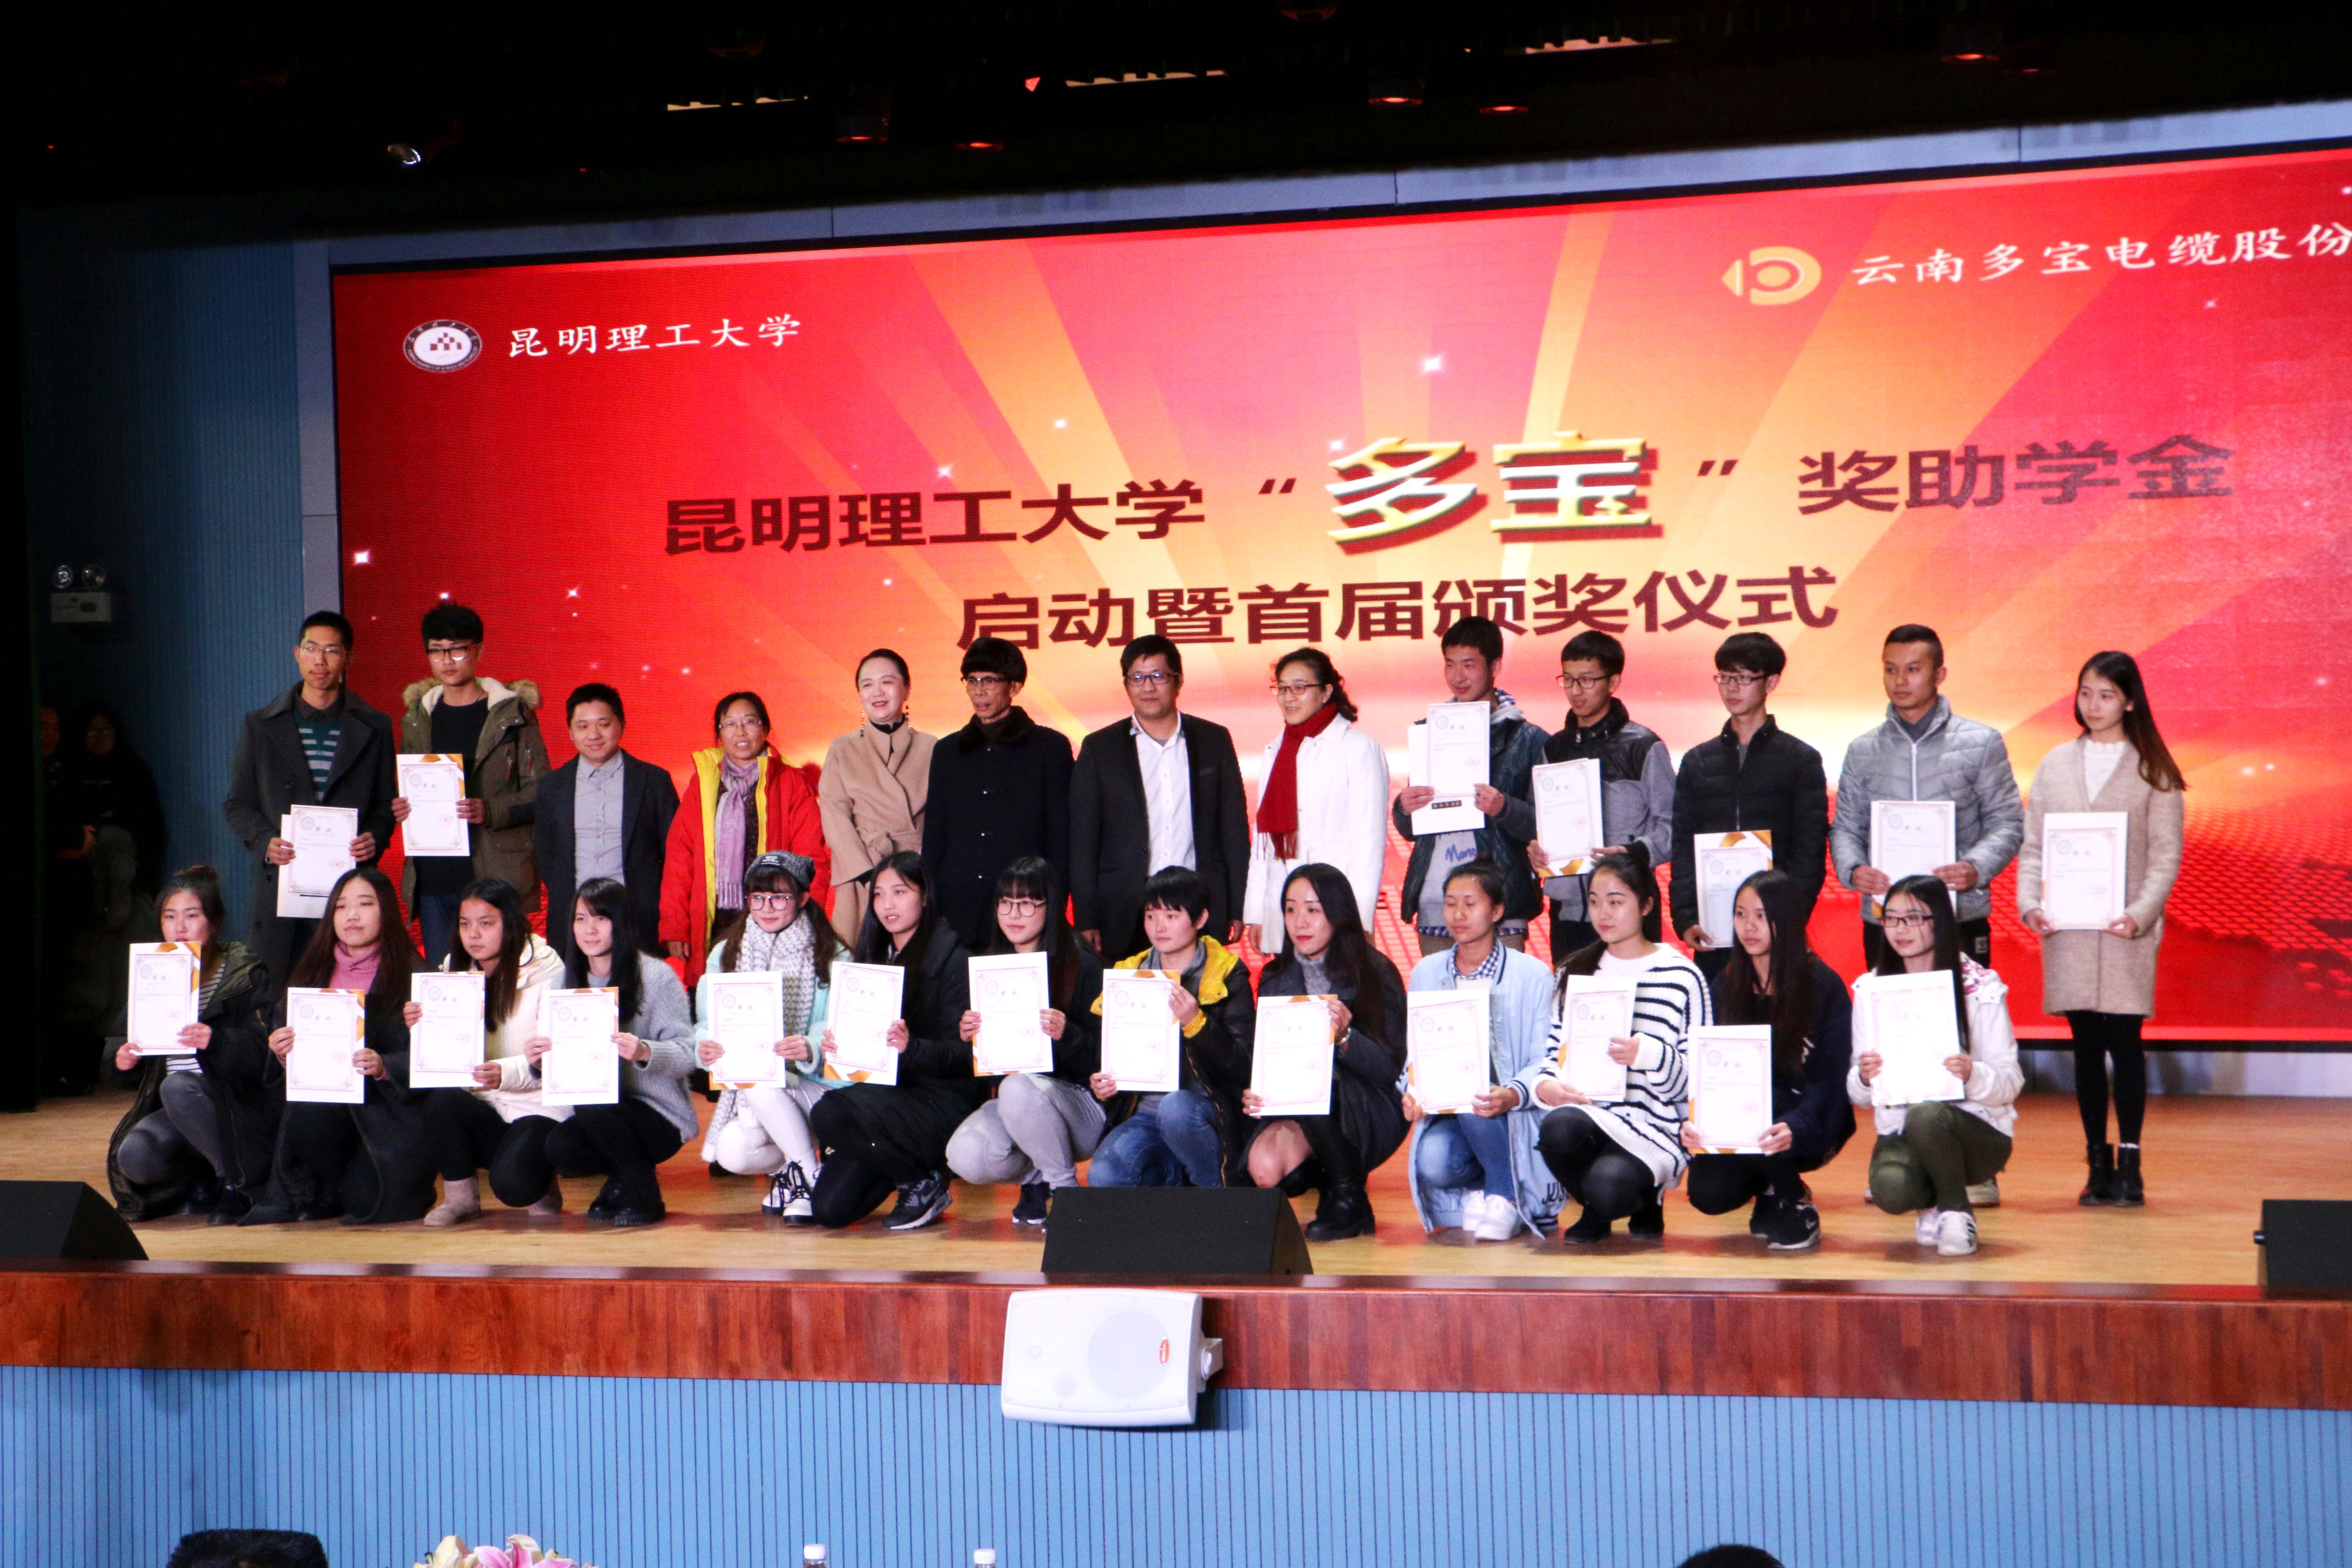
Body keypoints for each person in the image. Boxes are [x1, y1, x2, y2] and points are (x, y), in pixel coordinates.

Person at [2017, 651, 2185, 1208]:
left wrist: (2140, 912)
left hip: (2124, 931)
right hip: (2069, 929)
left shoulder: (2153, 769)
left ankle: (2131, 1164)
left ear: (2130, 701)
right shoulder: (2055, 764)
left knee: (2126, 1043)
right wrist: (2030, 903)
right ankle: (2097, 1165)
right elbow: (2035, 846)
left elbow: (2165, 857)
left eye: (2107, 695)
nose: (2093, 705)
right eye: (2086, 692)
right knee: (2085, 1046)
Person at [1519, 846, 1706, 1243]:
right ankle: (1597, 1209)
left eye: (1616, 902)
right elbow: (1553, 1052)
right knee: (1558, 1129)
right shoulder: (1575, 970)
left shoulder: (1682, 977)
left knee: (1610, 1185)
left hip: (1654, 1125)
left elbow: (1700, 1078)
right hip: (1592, 1113)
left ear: (1646, 905)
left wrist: (1649, 1055)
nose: (1603, 913)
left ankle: (1642, 1198)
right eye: (1595, 902)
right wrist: (1546, 1085)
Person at [1831, 622, 2024, 970]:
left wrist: (1976, 868)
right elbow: (1846, 828)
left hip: (1959, 915)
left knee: (1962, 1007)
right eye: (1890, 670)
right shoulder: (1862, 750)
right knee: (1889, 1006)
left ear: (1940, 674)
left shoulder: (1981, 743)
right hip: (1887, 919)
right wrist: (1854, 870)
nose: (1899, 681)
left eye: (1913, 669)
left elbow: (2008, 821)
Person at [1847, 875, 2023, 1257]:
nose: (1900, 929)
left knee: (1928, 1116)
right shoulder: (1872, 990)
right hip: (1902, 1130)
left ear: (1939, 921)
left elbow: (2011, 1080)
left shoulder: (1980, 986)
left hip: (1977, 1132)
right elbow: (1857, 1092)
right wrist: (1863, 1076)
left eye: (1913, 918)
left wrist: (1973, 1074)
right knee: (1891, 1188)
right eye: (1891, 919)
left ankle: (1957, 1212)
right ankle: (1931, 1206)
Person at [222, 610, 398, 989]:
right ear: (297, 654)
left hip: (347, 882)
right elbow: (238, 803)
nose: (320, 660)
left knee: (344, 989)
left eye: (332, 651)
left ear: (348, 658)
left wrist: (375, 836)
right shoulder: (261, 725)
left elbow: (386, 805)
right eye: (311, 649)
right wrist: (265, 841)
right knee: (276, 990)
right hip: (283, 880)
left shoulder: (376, 726)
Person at [248, 864, 434, 1225]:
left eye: (365, 904)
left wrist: (386, 1066)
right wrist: (283, 1054)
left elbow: (435, 1063)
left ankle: (375, 1185)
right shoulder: (311, 972)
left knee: (368, 1203)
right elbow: (281, 1071)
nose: (352, 915)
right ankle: (331, 1186)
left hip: (387, 1114)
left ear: (386, 910)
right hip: (327, 1109)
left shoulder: (415, 975)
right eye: (341, 906)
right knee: (307, 1117)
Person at [1681, 869, 1854, 1251]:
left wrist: (1798, 1124)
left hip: (1809, 1119)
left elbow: (1832, 1079)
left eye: (1762, 916)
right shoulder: (1726, 985)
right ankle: (1770, 1187)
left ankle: (1795, 1198)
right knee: (1709, 1193)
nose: (1749, 927)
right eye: (1740, 914)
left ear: (1787, 920)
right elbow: (1707, 1071)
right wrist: (1694, 1120)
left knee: (1765, 1105)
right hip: (1745, 1118)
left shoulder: (1823, 985)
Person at [806, 852, 977, 1229]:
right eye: (879, 895)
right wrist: (840, 1047)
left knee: (829, 1112)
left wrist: (911, 1049)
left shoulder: (954, 959)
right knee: (831, 1210)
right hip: (887, 1101)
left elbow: (966, 1055)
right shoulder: (873, 956)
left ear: (925, 896)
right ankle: (912, 1172)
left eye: (900, 892)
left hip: (939, 1098)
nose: (888, 905)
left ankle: (920, 1181)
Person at [1242, 863, 1408, 1241]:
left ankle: (1349, 1198)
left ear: (1338, 914)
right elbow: (1267, 1058)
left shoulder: (1375, 971)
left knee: (1317, 1077)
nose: (1300, 922)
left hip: (1370, 1104)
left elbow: (1389, 1069)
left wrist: (1346, 1037)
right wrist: (1257, 1091)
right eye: (1290, 909)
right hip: (1303, 1105)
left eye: (1313, 910)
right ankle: (1331, 1182)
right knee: (1265, 1169)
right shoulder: (1274, 978)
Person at [1402, 859, 1561, 1242]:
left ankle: (1506, 1197)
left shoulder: (1533, 975)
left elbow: (1546, 1056)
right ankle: (1485, 1186)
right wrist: (1411, 1089)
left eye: (1470, 904)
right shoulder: (1427, 972)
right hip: (1451, 1111)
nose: (1458, 915)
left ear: (1498, 911)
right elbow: (1415, 1052)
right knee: (1434, 1162)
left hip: (1512, 1111)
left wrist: (1513, 1093)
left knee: (1477, 1096)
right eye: (1450, 903)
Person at [103, 865, 274, 1222]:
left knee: (179, 1087)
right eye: (170, 917)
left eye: (192, 916)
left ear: (214, 922)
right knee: (136, 1156)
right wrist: (120, 1059)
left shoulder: (244, 975)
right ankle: (200, 1178)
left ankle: (237, 1184)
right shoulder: (155, 974)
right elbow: (117, 1043)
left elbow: (264, 1057)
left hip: (236, 1104)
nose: (179, 927)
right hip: (179, 1108)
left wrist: (218, 1041)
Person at [945, 857, 1107, 1227]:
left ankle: (1067, 1193)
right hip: (1019, 1106)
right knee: (965, 1155)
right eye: (1006, 903)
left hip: (1080, 1108)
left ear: (1051, 907)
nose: (1014, 914)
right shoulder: (988, 969)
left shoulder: (1082, 965)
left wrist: (1069, 1035)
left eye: (1028, 903)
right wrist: (972, 1043)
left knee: (1017, 1088)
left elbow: (1106, 1059)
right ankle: (1037, 1176)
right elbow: (991, 1077)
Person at [1069, 635, 1251, 959]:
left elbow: (1234, 830)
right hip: (1125, 908)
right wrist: (1086, 917)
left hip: (1198, 903)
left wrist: (1239, 906)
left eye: (1158, 676)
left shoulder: (1214, 740)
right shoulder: (1100, 749)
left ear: (1178, 681)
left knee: (1200, 989)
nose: (1148, 687)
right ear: (1126, 685)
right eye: (1137, 678)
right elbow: (1083, 840)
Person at [393, 603, 549, 968]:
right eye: (437, 651)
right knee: (444, 983)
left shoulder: (512, 715)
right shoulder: (418, 718)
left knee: (504, 981)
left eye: (458, 650)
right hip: (433, 877)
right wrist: (401, 807)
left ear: (480, 650)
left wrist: (490, 810)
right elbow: (408, 786)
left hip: (495, 876)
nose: (447, 661)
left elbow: (542, 793)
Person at [1086, 866, 1259, 1189]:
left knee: (1176, 1108)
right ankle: (1176, 1178)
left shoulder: (1226, 973)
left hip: (1205, 1109)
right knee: (1104, 1177)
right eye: (1151, 916)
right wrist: (1103, 1084)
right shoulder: (1129, 975)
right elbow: (1107, 1056)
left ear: (1201, 919)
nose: (1159, 927)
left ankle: (1214, 1193)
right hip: (1145, 1113)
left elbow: (1244, 1066)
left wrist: (1198, 1024)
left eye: (1171, 916)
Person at [1390, 617, 1551, 959]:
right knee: (1438, 990)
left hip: (1499, 902)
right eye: (1450, 664)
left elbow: (1546, 827)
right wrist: (1404, 809)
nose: (1458, 676)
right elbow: (1410, 830)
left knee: (1505, 992)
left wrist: (1504, 808)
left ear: (1495, 667)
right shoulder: (1429, 733)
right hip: (1437, 902)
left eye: (1469, 664)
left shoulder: (1529, 740)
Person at [1669, 632, 1828, 975]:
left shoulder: (1800, 760)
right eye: (1725, 677)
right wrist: (1686, 917)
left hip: (1776, 928)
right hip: (1714, 926)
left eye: (1742, 678)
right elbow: (1683, 846)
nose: (1731, 688)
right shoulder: (1697, 761)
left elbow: (1810, 850)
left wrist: (1789, 917)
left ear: (1771, 682)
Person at [541, 876, 696, 1226]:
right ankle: (621, 1180)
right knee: (561, 1147)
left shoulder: (656, 977)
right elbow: (559, 1066)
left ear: (621, 922)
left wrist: (645, 1051)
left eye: (601, 918)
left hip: (658, 1113)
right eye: (581, 919)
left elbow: (689, 1055)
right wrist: (539, 1060)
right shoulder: (563, 983)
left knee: (593, 1107)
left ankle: (644, 1194)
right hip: (600, 1111)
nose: (589, 929)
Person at [416, 878, 570, 1225]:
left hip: (537, 1106)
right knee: (438, 1100)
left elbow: (558, 1056)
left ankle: (541, 1181)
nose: (474, 935)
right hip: (484, 1102)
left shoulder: (549, 970)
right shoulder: (453, 970)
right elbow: (447, 1052)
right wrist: (420, 1025)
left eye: (486, 924)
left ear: (510, 922)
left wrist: (507, 1072)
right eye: (465, 924)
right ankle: (461, 1200)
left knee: (514, 1186)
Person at [698, 852, 838, 1222]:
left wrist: (810, 1045)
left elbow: (840, 1023)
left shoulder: (831, 951)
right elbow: (706, 1022)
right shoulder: (726, 952)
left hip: (818, 1085)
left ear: (803, 898)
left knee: (759, 1085)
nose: (767, 908)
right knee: (733, 1151)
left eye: (779, 898)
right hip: (758, 1087)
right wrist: (706, 1046)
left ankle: (810, 1177)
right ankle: (793, 1172)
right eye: (758, 898)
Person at [660, 690, 831, 986]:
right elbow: (680, 856)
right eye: (730, 724)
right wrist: (676, 926)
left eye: (749, 721)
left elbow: (811, 860)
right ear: (719, 734)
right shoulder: (704, 784)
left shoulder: (790, 783)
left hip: (774, 919)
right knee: (714, 1003)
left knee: (770, 1002)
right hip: (715, 921)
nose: (740, 731)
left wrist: (808, 923)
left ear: (765, 729)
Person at [922, 637, 1075, 951]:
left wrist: (1054, 907)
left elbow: (1061, 838)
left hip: (1023, 910)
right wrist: (931, 907)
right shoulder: (948, 751)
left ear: (1015, 686)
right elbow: (935, 837)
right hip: (958, 908)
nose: (979, 691)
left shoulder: (1050, 748)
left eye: (990, 681)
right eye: (972, 680)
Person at [1533, 631, 1674, 958]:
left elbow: (1674, 824)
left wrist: (1634, 852)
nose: (1575, 691)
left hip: (1629, 906)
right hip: (1569, 910)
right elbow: (1541, 823)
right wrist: (1536, 850)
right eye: (1568, 680)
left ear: (1613, 682)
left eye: (1586, 680)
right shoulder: (1554, 748)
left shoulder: (1644, 746)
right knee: (1571, 988)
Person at [1240, 648, 1390, 949]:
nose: (1289, 698)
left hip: (1334, 908)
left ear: (1326, 693)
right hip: (1284, 906)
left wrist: (1359, 921)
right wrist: (1256, 913)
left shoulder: (1358, 749)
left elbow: (1369, 843)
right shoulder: (1276, 750)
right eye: (1282, 688)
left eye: (1300, 688)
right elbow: (1264, 842)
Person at [533, 683, 680, 962]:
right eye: (583, 726)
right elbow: (547, 856)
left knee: (640, 989)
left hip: (639, 919)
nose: (594, 735)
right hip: (574, 923)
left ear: (621, 725)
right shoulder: (552, 786)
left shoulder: (654, 781)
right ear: (571, 732)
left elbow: (675, 855)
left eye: (603, 724)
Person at [818, 649, 937, 946]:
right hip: (862, 875)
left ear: (907, 688)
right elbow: (835, 817)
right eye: (867, 684)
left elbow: (943, 819)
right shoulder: (842, 749)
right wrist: (869, 877)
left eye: (887, 682)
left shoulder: (933, 747)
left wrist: (918, 873)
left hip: (916, 875)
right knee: (862, 957)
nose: (877, 692)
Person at [62, 700, 167, 893]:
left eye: (107, 729)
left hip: (128, 868)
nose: (101, 736)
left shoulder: (133, 769)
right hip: (80, 865)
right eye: (92, 730)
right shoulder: (68, 770)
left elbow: (151, 826)